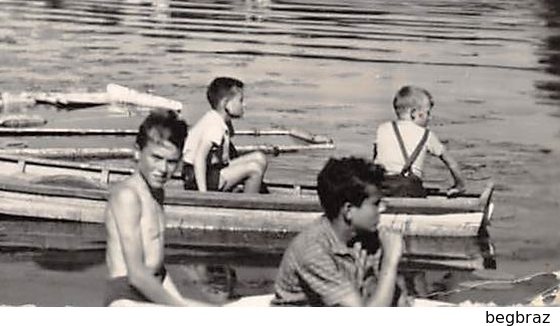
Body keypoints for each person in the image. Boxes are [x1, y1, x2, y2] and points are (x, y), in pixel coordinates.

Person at [272, 156, 409, 306]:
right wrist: (390, 261)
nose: (383, 209)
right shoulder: (313, 250)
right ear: (348, 211)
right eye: (375, 204)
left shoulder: (364, 238)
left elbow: (396, 295)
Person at [104, 110, 203, 306]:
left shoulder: (157, 193)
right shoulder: (127, 196)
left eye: (172, 162)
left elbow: (157, 267)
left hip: (152, 292)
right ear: (137, 151)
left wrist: (180, 301)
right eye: (156, 158)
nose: (163, 169)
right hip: (126, 298)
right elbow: (137, 274)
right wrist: (181, 310)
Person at [373, 86, 467, 199]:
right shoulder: (427, 135)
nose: (430, 118)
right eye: (427, 113)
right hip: (409, 189)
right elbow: (451, 163)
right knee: (415, 188)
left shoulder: (383, 128)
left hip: (380, 187)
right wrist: (460, 186)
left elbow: (374, 161)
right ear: (414, 113)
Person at [182, 76, 270, 193]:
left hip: (212, 170)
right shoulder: (215, 127)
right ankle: (248, 206)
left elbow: (228, 139)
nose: (244, 105)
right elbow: (199, 158)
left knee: (260, 157)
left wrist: (228, 119)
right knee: (255, 168)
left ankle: (245, 190)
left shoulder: (217, 118)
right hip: (197, 177)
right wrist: (203, 195)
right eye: (240, 100)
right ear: (225, 104)